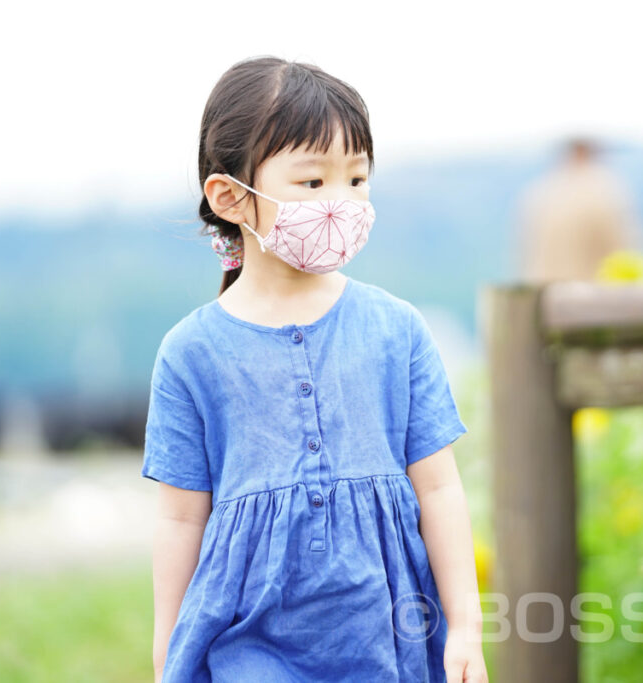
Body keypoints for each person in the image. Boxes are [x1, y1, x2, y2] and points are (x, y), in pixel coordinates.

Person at [142, 56, 488, 683]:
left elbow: (439, 488)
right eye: (312, 183)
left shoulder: (397, 330)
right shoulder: (189, 354)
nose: (343, 202)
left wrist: (465, 629)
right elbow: (179, 517)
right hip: (248, 641)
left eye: (357, 180)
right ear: (231, 197)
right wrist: (168, 653)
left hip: (386, 632)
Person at [515, 137, 643, 283]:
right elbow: (626, 253)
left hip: (543, 295)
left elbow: (523, 254)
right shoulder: (605, 192)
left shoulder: (539, 193)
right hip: (589, 296)